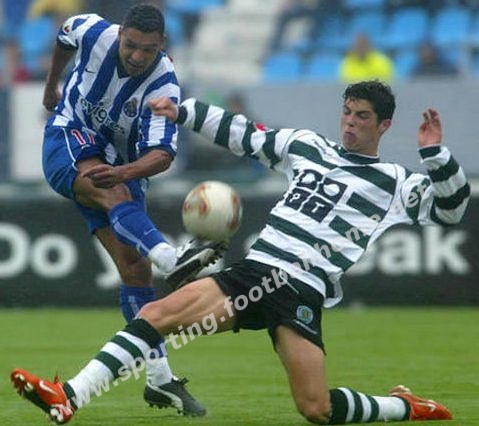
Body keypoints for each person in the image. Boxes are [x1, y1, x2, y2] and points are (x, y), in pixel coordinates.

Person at [11, 80, 470, 424]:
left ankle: (402, 406)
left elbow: (451, 209)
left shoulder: (395, 183)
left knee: (317, 408)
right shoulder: (307, 147)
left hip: (301, 292)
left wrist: (435, 155)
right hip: (256, 273)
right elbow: (242, 133)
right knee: (156, 315)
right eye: (347, 112)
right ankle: (68, 396)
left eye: (362, 116)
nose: (350, 122)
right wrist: (182, 111)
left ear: (384, 125)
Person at [35, 3, 227, 417]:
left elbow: (161, 154)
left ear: (163, 44)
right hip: (68, 136)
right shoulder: (93, 31)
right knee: (115, 197)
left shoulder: (164, 85)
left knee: (135, 271)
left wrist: (123, 171)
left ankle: (159, 379)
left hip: (121, 165)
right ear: (120, 33)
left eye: (148, 49)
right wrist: (52, 87)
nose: (138, 56)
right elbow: (64, 35)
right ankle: (171, 259)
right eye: (131, 45)